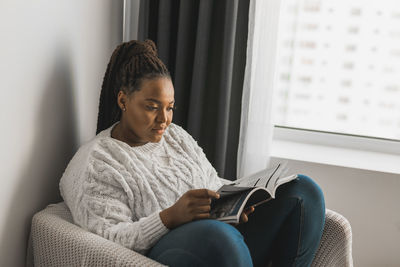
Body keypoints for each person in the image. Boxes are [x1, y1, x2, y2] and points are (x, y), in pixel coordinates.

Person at [59, 39, 325, 267]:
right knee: (218, 238)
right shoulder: (99, 161)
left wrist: (235, 206)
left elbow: (212, 183)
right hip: (168, 251)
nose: (164, 119)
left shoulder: (176, 137)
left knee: (303, 191)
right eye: (152, 107)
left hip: (222, 242)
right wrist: (169, 217)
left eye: (170, 107)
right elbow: (109, 240)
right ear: (122, 100)